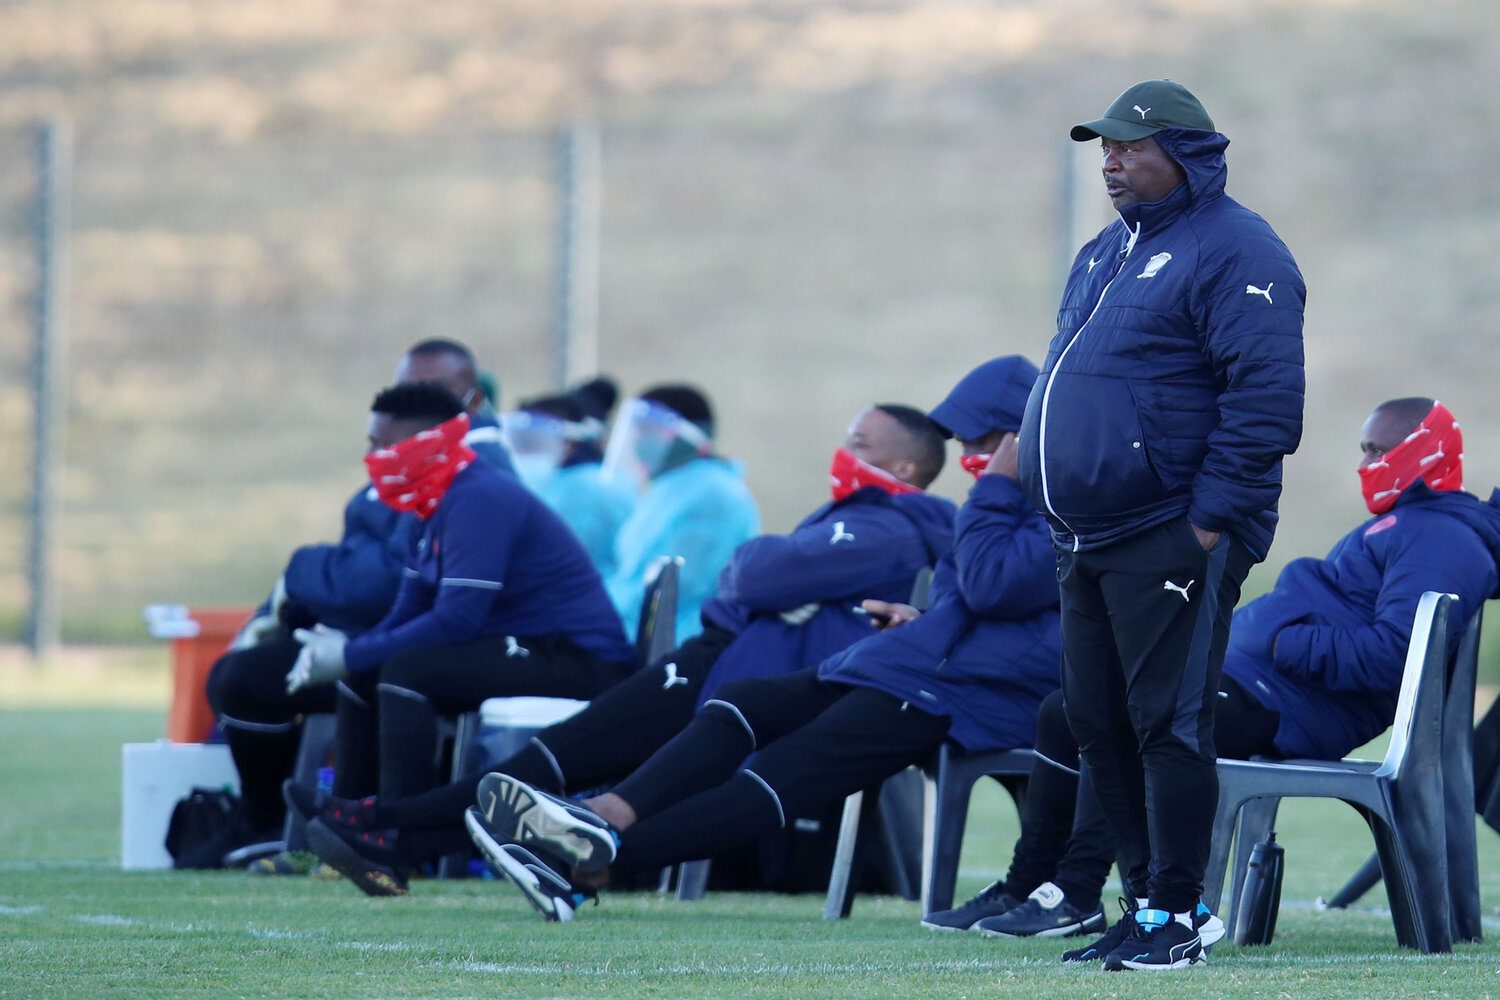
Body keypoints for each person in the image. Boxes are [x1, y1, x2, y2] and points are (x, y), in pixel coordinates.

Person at [462, 356, 1064, 924]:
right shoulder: (1005, 501)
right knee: (744, 701)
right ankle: (603, 817)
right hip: (922, 665)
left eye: (981, 443)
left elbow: (993, 588)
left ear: (1022, 435)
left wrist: (994, 492)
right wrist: (918, 617)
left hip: (977, 690)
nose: (969, 459)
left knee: (788, 768)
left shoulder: (1057, 501)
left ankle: (587, 865)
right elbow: (980, 598)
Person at [292, 399, 957, 894]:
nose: (844, 449)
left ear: (902, 465)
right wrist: (759, 580)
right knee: (561, 756)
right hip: (729, 658)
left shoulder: (885, 526)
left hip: (735, 668)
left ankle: (398, 829)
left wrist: (761, 580)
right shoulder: (858, 519)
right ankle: (395, 828)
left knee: (566, 758)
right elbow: (745, 574)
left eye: (860, 442)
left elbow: (752, 573)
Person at [930, 397, 1500, 964]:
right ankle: (1037, 883)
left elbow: (1395, 655)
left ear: (1426, 451)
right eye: (1364, 448)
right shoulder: (1406, 526)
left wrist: (1282, 639)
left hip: (1287, 706)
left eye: (1380, 448)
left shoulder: (1442, 537)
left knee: (1127, 717)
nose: (1367, 462)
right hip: (1260, 685)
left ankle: (1087, 894)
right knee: (1075, 708)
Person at [1014, 79, 1306, 970]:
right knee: (1096, 719)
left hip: (1173, 529)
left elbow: (1265, 401)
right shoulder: (1107, 252)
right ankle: (1142, 904)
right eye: (1102, 148)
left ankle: (1178, 911)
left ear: (1189, 154)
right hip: (1088, 535)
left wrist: (1208, 527)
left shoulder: (1237, 248)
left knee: (1166, 724)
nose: (1110, 162)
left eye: (1129, 147)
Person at [201, 339, 513, 871]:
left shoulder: (474, 475)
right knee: (331, 667)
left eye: (428, 392)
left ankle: (369, 836)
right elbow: (396, 573)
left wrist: (305, 574)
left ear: (468, 401)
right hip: (400, 627)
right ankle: (334, 831)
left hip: (520, 647)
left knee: (280, 677)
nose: (376, 453)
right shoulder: (425, 472)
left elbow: (396, 584)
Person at [601, 385, 760, 642]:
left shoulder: (713, 495)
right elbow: (629, 572)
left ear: (688, 435)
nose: (641, 440)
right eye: (638, 430)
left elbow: (676, 589)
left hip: (675, 644)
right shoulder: (667, 489)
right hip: (633, 634)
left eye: (650, 430)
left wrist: (597, 613)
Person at [501, 377, 636, 575]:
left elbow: (561, 566)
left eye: (535, 441)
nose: (525, 453)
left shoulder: (583, 492)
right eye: (521, 441)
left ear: (570, 443)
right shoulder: (560, 483)